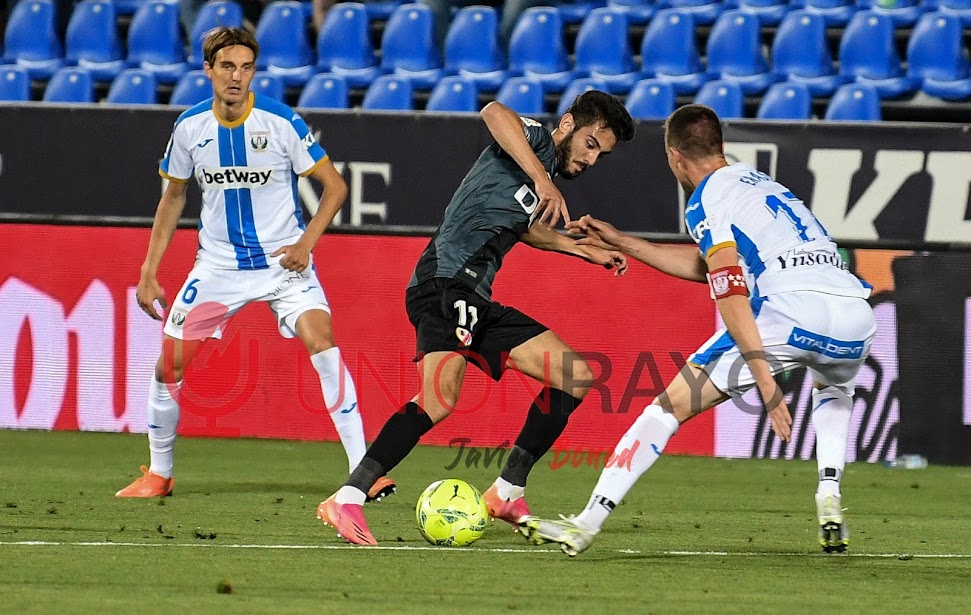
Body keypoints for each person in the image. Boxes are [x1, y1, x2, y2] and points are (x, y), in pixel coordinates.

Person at [523, 104, 877, 556]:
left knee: (665, 409)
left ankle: (586, 524)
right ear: (720, 147)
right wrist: (622, 240)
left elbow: (729, 292)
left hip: (791, 312)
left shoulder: (707, 199)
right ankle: (829, 494)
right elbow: (704, 264)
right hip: (854, 315)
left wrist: (765, 382)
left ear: (674, 157)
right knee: (833, 387)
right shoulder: (755, 180)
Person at [316, 91, 636, 545]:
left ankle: (506, 491)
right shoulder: (537, 142)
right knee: (437, 399)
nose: (590, 160)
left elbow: (522, 227)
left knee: (572, 374)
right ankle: (347, 497)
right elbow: (492, 112)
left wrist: (582, 249)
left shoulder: (535, 174)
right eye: (589, 144)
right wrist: (542, 180)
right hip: (443, 283)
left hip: (473, 297)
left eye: (600, 155)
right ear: (567, 125)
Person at [115, 27, 395, 503]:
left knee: (322, 341)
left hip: (284, 262)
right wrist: (148, 271)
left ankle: (363, 471)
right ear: (208, 70)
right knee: (170, 365)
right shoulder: (189, 128)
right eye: (227, 67)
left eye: (246, 68)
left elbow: (335, 187)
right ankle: (159, 475)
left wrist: (306, 243)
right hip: (219, 269)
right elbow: (174, 197)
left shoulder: (280, 121)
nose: (237, 77)